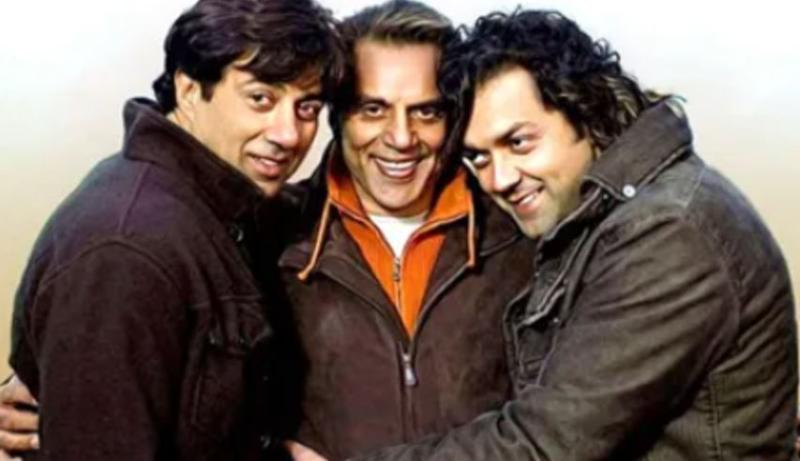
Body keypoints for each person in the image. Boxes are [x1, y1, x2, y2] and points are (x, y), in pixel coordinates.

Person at [342, 9, 798, 460]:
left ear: (586, 110)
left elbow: (548, 445)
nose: (500, 179)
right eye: (478, 157)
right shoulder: (608, 216)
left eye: (519, 142)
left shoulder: (667, 231)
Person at [1, 0, 342, 459]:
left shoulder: (231, 207)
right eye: (260, 99)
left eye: (307, 107)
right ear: (188, 88)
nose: (288, 133)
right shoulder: (127, 249)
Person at [274, 1, 535, 459]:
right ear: (338, 115)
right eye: (373, 109)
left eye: (426, 112)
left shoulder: (520, 234)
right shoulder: (271, 234)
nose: (401, 138)